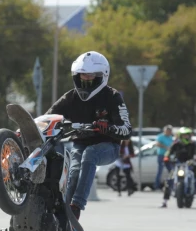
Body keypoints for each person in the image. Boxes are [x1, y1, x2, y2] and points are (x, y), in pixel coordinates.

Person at [46, 51, 132, 220]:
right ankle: (63, 210)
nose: (86, 80)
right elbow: (48, 116)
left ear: (103, 76)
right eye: (82, 76)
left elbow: (127, 129)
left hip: (108, 146)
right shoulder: (70, 97)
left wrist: (108, 127)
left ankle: (77, 205)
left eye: (91, 76)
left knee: (89, 155)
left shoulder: (113, 97)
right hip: (80, 142)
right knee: (73, 169)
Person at [160, 127, 196, 208]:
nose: (186, 137)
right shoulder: (176, 144)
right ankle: (165, 201)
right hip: (177, 164)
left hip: (189, 164)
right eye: (184, 135)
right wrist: (166, 157)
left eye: (187, 135)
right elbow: (169, 152)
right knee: (169, 180)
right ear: (180, 136)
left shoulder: (192, 145)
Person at [154, 125, 174, 190]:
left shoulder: (170, 137)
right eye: (168, 131)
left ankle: (171, 185)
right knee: (160, 170)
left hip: (168, 155)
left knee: (171, 170)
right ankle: (157, 186)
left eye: (170, 131)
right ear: (165, 131)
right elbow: (157, 144)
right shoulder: (160, 136)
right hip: (161, 155)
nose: (169, 132)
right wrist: (165, 147)